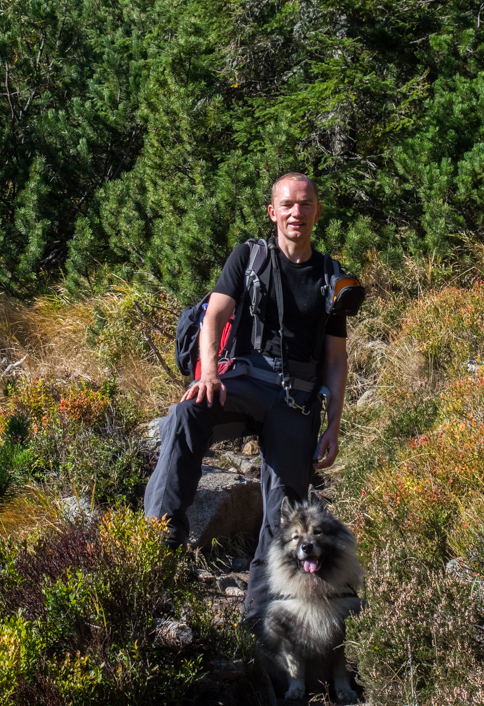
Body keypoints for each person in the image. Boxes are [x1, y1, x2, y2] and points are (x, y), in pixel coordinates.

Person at [144, 172, 348, 627]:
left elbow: (335, 359)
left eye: (306, 204)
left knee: (286, 510)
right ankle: (157, 548)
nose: (297, 212)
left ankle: (258, 623)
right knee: (185, 415)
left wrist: (332, 424)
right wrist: (210, 373)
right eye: (288, 204)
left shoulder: (331, 277)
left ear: (317, 212)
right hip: (242, 383)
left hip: (295, 400)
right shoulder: (249, 256)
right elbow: (214, 314)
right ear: (272, 211)